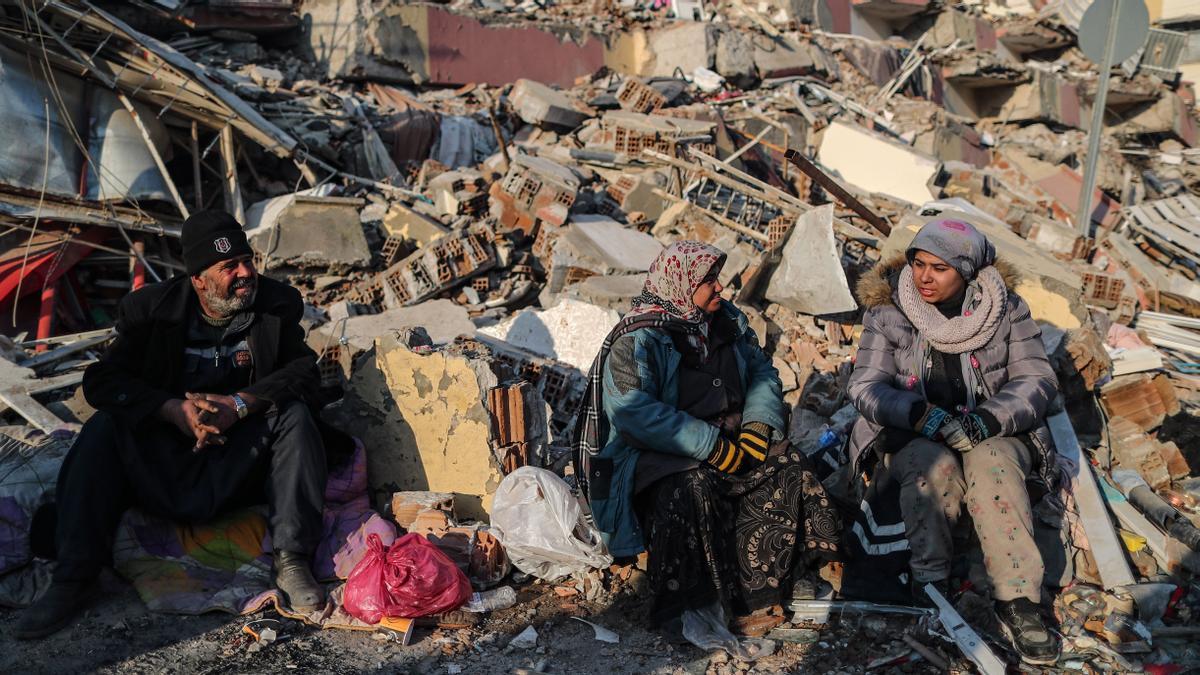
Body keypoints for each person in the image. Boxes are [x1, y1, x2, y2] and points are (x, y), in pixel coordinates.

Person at [16, 210, 329, 639]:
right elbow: (102, 381)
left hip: (241, 463)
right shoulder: (152, 312)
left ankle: (292, 560)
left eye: (247, 261)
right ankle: (74, 576)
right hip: (167, 461)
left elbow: (306, 372)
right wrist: (172, 411)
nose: (245, 274)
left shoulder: (275, 305)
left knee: (293, 415)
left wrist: (239, 404)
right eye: (229, 267)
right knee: (104, 429)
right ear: (198, 279)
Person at [575, 241, 840, 637]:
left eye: (718, 279)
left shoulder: (726, 322)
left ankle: (770, 588)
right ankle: (697, 602)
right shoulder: (639, 338)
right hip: (658, 457)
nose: (721, 290)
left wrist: (756, 427)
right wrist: (712, 446)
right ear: (681, 284)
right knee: (692, 487)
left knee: (789, 467)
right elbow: (633, 413)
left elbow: (763, 373)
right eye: (709, 282)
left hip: (733, 439)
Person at [847, 218, 1062, 664]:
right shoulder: (888, 310)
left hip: (993, 430)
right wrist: (915, 413)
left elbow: (1036, 380)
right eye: (919, 264)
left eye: (939, 268)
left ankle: (1018, 600)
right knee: (934, 469)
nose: (924, 277)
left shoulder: (1006, 310)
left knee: (993, 467)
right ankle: (931, 582)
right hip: (914, 432)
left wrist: (988, 418)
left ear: (966, 271)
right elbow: (866, 385)